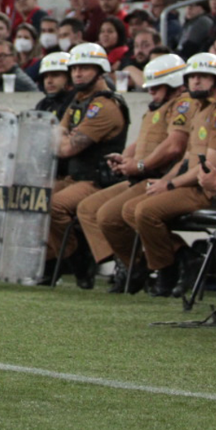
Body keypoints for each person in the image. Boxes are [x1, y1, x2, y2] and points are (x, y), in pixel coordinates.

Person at [106, 52, 216, 298]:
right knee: (131, 209)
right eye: (192, 76)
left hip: (214, 190)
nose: (195, 81)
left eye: (203, 76)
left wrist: (170, 184)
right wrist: (164, 182)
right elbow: (187, 158)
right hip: (194, 184)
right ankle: (181, 260)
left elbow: (210, 168)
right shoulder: (203, 110)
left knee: (144, 211)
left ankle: (167, 268)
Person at [78, 54, 195, 293]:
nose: (150, 92)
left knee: (118, 213)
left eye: (156, 87)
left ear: (173, 83)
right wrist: (126, 159)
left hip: (158, 176)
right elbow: (144, 140)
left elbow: (174, 147)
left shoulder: (183, 104)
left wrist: (139, 166)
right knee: (90, 209)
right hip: (141, 174)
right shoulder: (159, 106)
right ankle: (134, 264)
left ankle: (166, 264)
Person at [45, 43, 129, 288]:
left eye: (85, 68)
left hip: (96, 181)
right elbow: (58, 136)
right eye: (74, 68)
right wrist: (61, 136)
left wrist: (62, 136)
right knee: (36, 197)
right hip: (75, 178)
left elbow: (66, 147)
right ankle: (61, 259)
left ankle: (77, 257)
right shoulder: (80, 101)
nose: (78, 73)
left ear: (101, 69)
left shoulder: (104, 106)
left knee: (53, 205)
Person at [34, 52, 73, 119]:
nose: (49, 81)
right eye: (46, 76)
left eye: (55, 75)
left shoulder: (76, 103)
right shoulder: (43, 104)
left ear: (70, 78)